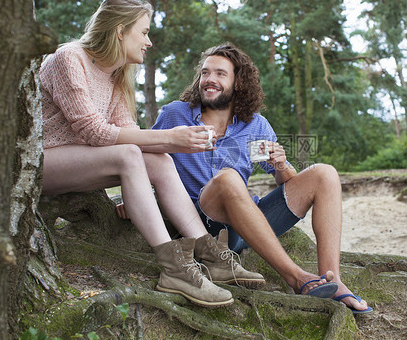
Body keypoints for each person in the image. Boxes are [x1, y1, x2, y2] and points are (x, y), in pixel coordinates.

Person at [39, 0, 265, 308]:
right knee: (130, 154)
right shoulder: (70, 58)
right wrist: (172, 137)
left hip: (77, 162)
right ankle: (175, 270)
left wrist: (176, 145)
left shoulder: (115, 76)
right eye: (143, 32)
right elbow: (93, 132)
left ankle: (209, 254)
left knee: (157, 158)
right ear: (120, 31)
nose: (149, 41)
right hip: (40, 162)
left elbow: (132, 134)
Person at [152, 43, 373, 313]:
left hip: (247, 224)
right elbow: (148, 155)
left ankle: (333, 280)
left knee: (324, 173)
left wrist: (280, 165)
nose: (210, 80)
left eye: (220, 74)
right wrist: (132, 196)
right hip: (199, 222)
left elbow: (288, 181)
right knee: (228, 178)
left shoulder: (256, 125)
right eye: (205, 73)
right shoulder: (176, 113)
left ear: (239, 82)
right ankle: (297, 277)